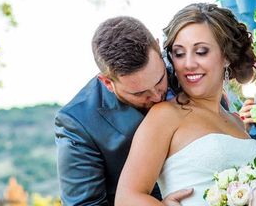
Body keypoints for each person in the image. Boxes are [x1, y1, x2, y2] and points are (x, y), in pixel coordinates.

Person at [115, 3, 256, 206]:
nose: (188, 64)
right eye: (179, 53)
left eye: (201, 51)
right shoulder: (165, 115)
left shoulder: (236, 121)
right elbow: (126, 199)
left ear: (226, 56)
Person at [55, 16, 193, 206]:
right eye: (140, 93)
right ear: (107, 83)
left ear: (157, 46)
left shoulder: (186, 68)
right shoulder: (77, 123)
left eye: (159, 80)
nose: (155, 96)